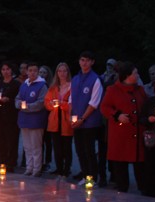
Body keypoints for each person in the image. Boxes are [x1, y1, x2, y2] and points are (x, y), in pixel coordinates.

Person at [100, 61, 147, 193]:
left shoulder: (140, 90)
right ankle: (122, 190)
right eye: (135, 73)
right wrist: (117, 115)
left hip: (137, 135)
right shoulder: (113, 90)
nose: (138, 75)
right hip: (121, 135)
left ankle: (144, 191)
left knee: (141, 166)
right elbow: (104, 107)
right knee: (121, 167)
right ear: (127, 75)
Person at [69, 51, 104, 183]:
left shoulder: (95, 79)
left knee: (89, 150)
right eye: (82, 60)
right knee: (79, 150)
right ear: (79, 61)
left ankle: (92, 178)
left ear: (92, 62)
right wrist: (70, 116)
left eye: (87, 60)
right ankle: (85, 175)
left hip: (89, 122)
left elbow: (94, 103)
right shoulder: (76, 79)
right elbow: (71, 99)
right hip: (76, 120)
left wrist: (82, 119)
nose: (84, 63)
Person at [16, 62, 48, 176]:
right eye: (30, 70)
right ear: (27, 72)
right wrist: (19, 104)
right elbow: (18, 98)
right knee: (27, 146)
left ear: (38, 72)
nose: (32, 73)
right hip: (24, 120)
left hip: (36, 120)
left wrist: (28, 107)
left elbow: (41, 102)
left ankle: (36, 169)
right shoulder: (24, 85)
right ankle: (29, 167)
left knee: (36, 146)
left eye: (35, 70)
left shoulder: (42, 85)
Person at [0, 62, 21, 172]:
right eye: (3, 69)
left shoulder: (16, 84)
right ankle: (2, 160)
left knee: (11, 140)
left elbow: (19, 99)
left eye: (7, 69)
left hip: (11, 116)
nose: (5, 71)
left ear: (11, 70)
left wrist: (9, 100)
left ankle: (11, 162)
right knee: (0, 139)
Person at [45, 62, 73, 177]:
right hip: (55, 121)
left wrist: (63, 104)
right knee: (57, 147)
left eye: (64, 71)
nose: (62, 73)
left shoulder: (72, 86)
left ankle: (66, 170)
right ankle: (59, 169)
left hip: (66, 120)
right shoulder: (53, 88)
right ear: (57, 73)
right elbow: (46, 103)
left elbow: (73, 104)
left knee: (67, 147)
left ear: (68, 72)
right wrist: (51, 104)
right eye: (60, 71)